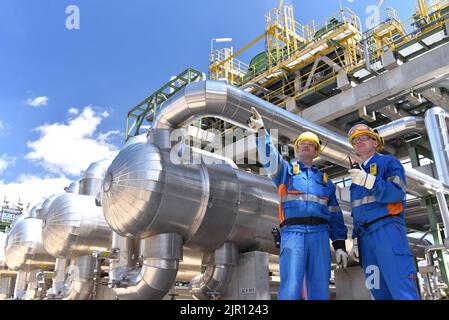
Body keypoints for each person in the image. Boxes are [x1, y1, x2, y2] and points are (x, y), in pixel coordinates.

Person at [248, 107, 348, 300]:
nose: (306, 146)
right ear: (296, 148)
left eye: (311, 144)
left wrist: (340, 245)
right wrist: (261, 133)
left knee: (320, 285)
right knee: (291, 285)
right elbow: (270, 159)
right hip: (293, 233)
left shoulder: (326, 182)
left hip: (320, 235)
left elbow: (335, 216)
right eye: (302, 143)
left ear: (316, 151)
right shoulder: (285, 171)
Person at [347, 123, 420, 300]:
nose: (359, 141)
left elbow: (396, 192)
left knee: (401, 287)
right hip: (365, 239)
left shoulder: (388, 162)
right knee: (378, 291)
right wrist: (355, 240)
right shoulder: (356, 177)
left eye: (364, 137)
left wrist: (368, 180)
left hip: (387, 230)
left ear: (375, 143)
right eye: (355, 140)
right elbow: (357, 211)